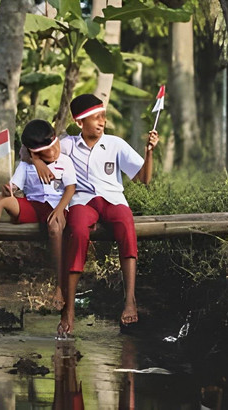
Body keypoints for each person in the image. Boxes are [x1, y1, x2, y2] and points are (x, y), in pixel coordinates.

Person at [31, 94, 159, 334]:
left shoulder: (115, 144)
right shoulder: (66, 144)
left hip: (112, 200)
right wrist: (38, 161)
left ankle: (130, 300)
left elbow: (144, 179)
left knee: (126, 225)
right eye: (96, 118)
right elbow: (32, 147)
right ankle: (69, 310)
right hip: (82, 201)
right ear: (79, 122)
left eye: (104, 117)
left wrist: (149, 151)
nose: (102, 122)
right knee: (77, 231)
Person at [0, 119, 77, 312]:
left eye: (54, 145)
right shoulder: (26, 165)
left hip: (57, 206)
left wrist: (59, 210)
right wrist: (9, 188)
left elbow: (71, 189)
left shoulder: (65, 161)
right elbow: (16, 186)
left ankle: (59, 285)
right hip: (32, 206)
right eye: (46, 150)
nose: (53, 151)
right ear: (33, 152)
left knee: (55, 227)